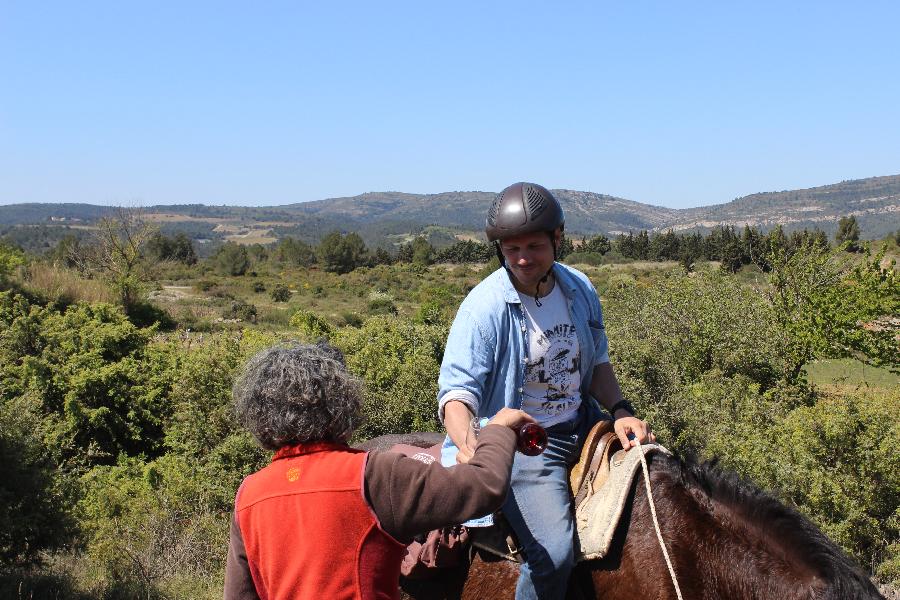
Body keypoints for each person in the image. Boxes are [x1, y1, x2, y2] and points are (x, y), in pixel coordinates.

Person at [438, 182, 655, 600]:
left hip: (585, 421)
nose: (521, 258)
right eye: (511, 247)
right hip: (527, 443)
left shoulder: (579, 289)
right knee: (553, 555)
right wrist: (472, 446)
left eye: (534, 246)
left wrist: (622, 410)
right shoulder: (484, 308)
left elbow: (595, 366)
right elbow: (457, 394)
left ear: (558, 239)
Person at [224, 341, 535, 600]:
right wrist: (497, 430)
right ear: (342, 404)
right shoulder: (373, 474)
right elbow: (484, 486)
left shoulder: (249, 495)